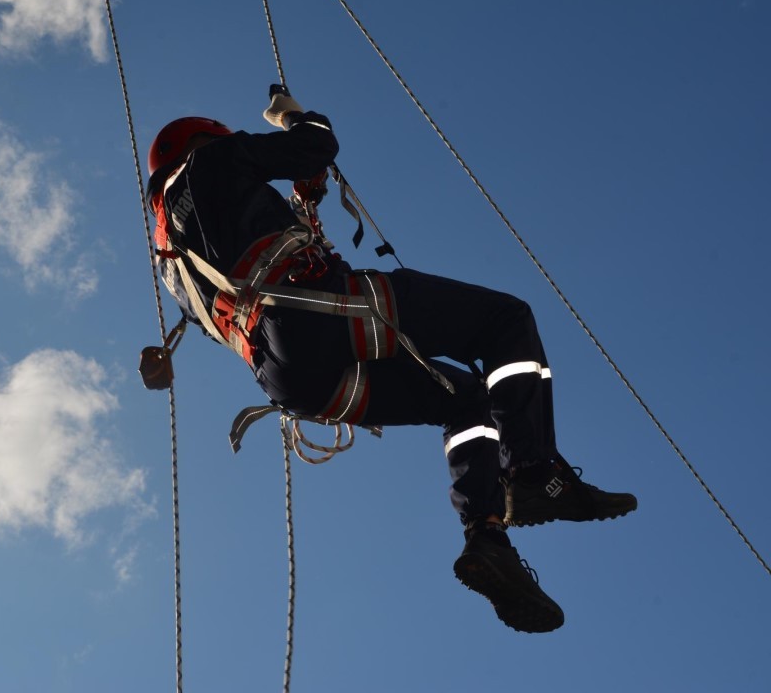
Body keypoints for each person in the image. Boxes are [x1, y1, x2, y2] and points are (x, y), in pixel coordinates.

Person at [144, 89, 637, 633]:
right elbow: (316, 145)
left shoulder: (171, 261)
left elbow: (238, 269)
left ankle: (488, 536)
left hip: (289, 377)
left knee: (467, 399)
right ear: (204, 139)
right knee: (504, 321)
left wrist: (302, 200)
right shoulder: (214, 159)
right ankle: (534, 470)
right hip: (320, 310)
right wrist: (290, 116)